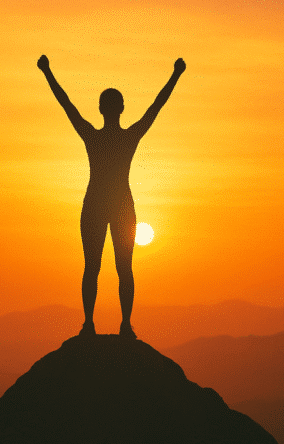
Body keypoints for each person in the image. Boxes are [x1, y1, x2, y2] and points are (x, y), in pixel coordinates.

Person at [37, 55, 186, 338]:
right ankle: (123, 325)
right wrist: (176, 75)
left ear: (101, 109)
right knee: (122, 268)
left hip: (97, 204)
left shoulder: (93, 137)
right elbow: (156, 106)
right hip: (119, 205)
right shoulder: (128, 137)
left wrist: (47, 71)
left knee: (93, 267)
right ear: (121, 109)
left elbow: (66, 103)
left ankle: (91, 325)